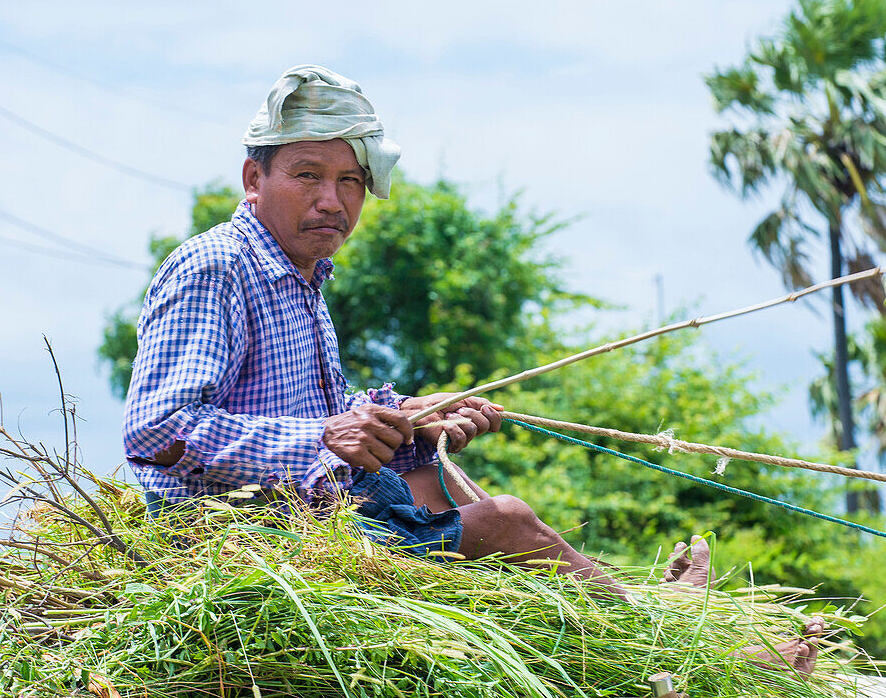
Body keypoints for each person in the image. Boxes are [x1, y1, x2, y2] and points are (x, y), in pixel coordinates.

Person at [122, 65, 822, 674]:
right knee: (507, 521)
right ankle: (687, 643)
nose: (332, 201)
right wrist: (322, 440)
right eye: (307, 176)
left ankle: (644, 614)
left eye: (350, 181)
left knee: (430, 472)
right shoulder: (217, 265)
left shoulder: (304, 278)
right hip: (238, 543)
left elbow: (325, 426)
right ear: (255, 178)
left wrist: (417, 417)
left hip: (306, 516)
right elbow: (156, 431)